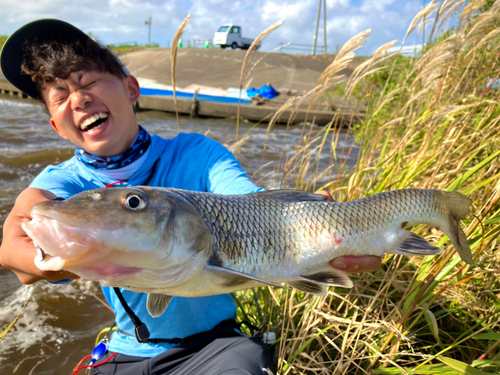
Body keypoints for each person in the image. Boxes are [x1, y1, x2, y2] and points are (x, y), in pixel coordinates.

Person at [0, 19, 382, 375]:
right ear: (55, 126)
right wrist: (67, 262)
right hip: (128, 348)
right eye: (60, 94)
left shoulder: (198, 153)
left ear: (131, 89)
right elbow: (18, 236)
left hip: (216, 347)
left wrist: (321, 225)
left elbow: (249, 201)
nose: (78, 100)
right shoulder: (64, 182)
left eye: (87, 82)